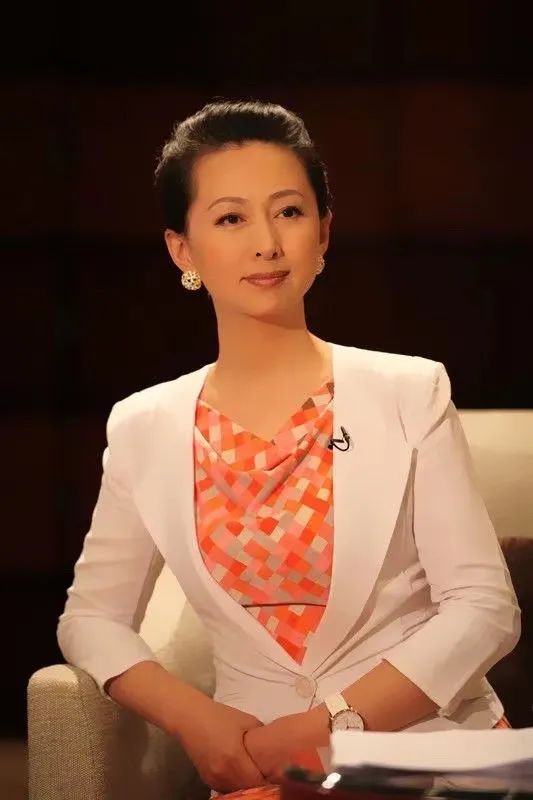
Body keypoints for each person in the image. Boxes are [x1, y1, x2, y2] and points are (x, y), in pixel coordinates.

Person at [57, 99, 521, 798]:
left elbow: (483, 607)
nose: (267, 243)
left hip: (432, 753)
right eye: (230, 218)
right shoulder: (143, 426)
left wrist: (334, 725)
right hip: (259, 767)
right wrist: (195, 720)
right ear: (182, 250)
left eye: (289, 212)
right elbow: (91, 618)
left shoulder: (410, 390)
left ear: (323, 232)